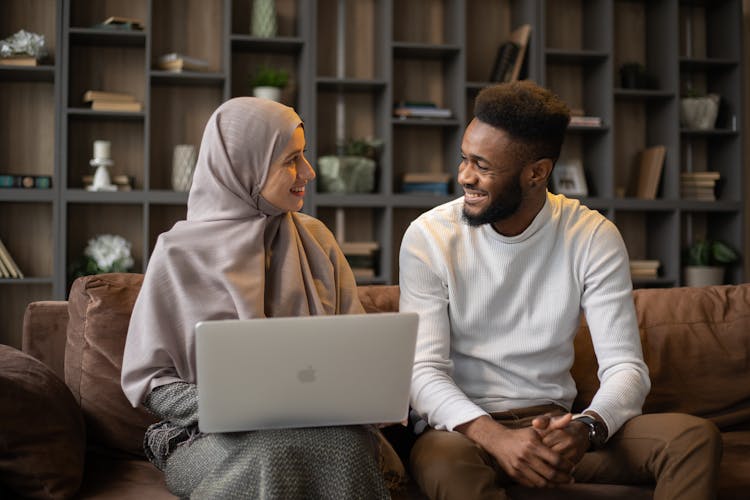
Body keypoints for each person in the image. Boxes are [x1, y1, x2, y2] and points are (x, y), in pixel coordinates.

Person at [399, 81, 722, 499]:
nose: (464, 176)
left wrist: (585, 429)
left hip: (555, 425)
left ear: (537, 172)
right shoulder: (429, 237)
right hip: (464, 434)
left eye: (482, 165)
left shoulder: (591, 235)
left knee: (692, 438)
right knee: (442, 462)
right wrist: (497, 438)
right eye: (464, 159)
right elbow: (423, 373)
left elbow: (626, 368)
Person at [121, 97, 390, 499]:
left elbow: (357, 351)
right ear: (245, 165)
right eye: (291, 160)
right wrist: (235, 405)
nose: (309, 172)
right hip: (205, 436)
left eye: (305, 156)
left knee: (349, 448)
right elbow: (153, 384)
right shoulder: (178, 253)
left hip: (322, 428)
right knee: (271, 451)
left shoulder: (316, 239)